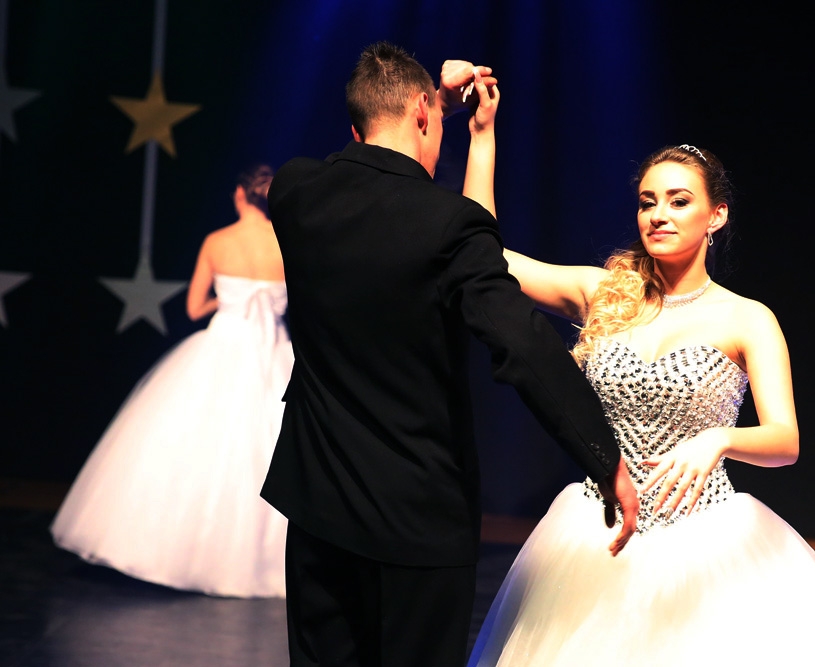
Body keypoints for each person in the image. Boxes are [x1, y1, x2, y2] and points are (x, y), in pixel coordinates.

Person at [461, 100, 815, 664]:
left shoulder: (747, 318)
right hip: (597, 531)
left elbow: (785, 441)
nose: (658, 215)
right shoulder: (604, 294)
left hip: (703, 542)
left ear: (716, 216)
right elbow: (483, 256)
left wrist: (721, 438)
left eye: (679, 200)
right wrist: (482, 136)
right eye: (648, 202)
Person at [259, 43, 638, 667]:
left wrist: (433, 98)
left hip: (318, 507)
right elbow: (523, 344)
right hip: (417, 518)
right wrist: (604, 456)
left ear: (355, 127)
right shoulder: (450, 224)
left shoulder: (296, 190)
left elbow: (359, 163)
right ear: (422, 114)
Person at [51, 165, 292, 598]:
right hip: (276, 352)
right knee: (273, 445)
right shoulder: (289, 242)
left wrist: (231, 297)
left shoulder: (218, 242)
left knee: (197, 443)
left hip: (224, 345)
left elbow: (194, 308)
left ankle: (183, 553)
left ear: (240, 195)